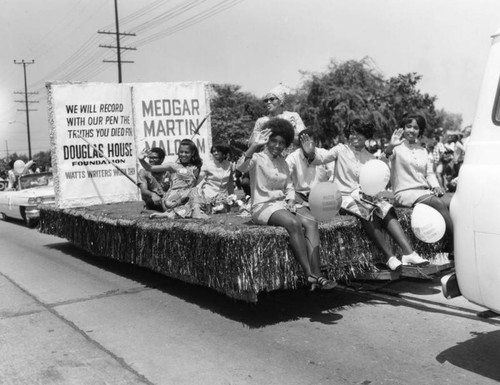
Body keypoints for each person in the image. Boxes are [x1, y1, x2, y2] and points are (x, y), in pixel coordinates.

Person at [304, 121, 429, 270]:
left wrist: (390, 147)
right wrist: (310, 152)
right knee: (367, 211)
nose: (354, 136)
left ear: (366, 136)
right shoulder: (340, 149)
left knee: (386, 208)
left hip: (363, 196)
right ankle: (389, 257)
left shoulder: (369, 156)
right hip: (344, 198)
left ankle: (409, 253)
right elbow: (321, 158)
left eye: (359, 133)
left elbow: (380, 167)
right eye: (352, 133)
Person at [236, 118, 336, 290]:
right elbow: (241, 168)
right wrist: (253, 146)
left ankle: (318, 273)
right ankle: (309, 274)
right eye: (273, 141)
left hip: (283, 204)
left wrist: (290, 199)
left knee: (311, 222)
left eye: (282, 143)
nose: (277, 146)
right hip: (263, 206)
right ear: (267, 141)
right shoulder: (257, 158)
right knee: (294, 222)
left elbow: (289, 186)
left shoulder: (283, 162)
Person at [385, 114, 454, 253]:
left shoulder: (423, 150)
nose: (411, 130)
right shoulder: (396, 148)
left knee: (454, 201)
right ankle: (457, 242)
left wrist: (436, 187)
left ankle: (447, 245)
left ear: (420, 131)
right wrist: (390, 146)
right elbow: (385, 158)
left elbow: (429, 173)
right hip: (405, 192)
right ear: (403, 128)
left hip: (424, 192)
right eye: (408, 126)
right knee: (438, 203)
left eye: (416, 128)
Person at [285, 129, 337, 287]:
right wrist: (291, 199)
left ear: (316, 141)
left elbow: (334, 176)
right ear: (299, 143)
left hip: (322, 196)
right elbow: (285, 180)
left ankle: (315, 275)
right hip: (300, 196)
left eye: (311, 140)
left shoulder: (324, 154)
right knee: (311, 223)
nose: (308, 144)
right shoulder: (292, 157)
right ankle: (316, 274)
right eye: (304, 141)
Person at [138, 139, 202, 219]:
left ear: (192, 153)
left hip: (186, 199)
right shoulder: (172, 166)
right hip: (171, 200)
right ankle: (174, 212)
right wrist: (141, 159)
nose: (183, 154)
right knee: (194, 193)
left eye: (186, 152)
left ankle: (169, 214)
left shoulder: (196, 167)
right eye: (181, 152)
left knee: (198, 196)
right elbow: (149, 167)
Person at [250, 84, 306, 154]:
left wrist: (287, 132)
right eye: (266, 100)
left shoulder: (293, 116)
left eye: (272, 99)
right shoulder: (261, 121)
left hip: (292, 159)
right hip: (269, 161)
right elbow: (252, 145)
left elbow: (304, 142)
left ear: (280, 101)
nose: (268, 102)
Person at [192, 143, 235, 219]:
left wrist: (232, 196)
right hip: (208, 195)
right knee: (211, 211)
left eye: (218, 151)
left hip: (223, 195)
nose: (215, 153)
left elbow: (230, 182)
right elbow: (199, 179)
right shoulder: (207, 164)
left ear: (223, 152)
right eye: (214, 151)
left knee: (223, 211)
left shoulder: (229, 164)